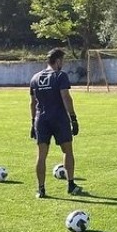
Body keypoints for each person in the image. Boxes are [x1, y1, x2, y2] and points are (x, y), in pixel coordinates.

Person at [30, 47, 82, 198]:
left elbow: (32, 103)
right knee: (67, 151)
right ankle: (71, 185)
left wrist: (32, 122)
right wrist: (73, 118)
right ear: (58, 61)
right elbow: (66, 97)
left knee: (41, 155)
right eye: (62, 61)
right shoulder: (60, 75)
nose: (63, 64)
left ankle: (41, 189)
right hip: (59, 119)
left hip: (41, 120)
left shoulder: (35, 78)